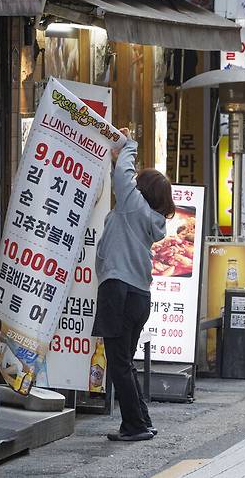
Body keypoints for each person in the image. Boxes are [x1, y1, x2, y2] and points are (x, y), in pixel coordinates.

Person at [92, 128, 175, 442]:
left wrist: (128, 144)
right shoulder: (146, 217)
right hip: (138, 294)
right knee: (125, 361)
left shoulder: (133, 206)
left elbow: (124, 176)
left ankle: (136, 426)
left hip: (119, 292)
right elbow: (124, 176)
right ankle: (142, 421)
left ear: (142, 191)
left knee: (119, 363)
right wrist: (119, 155)